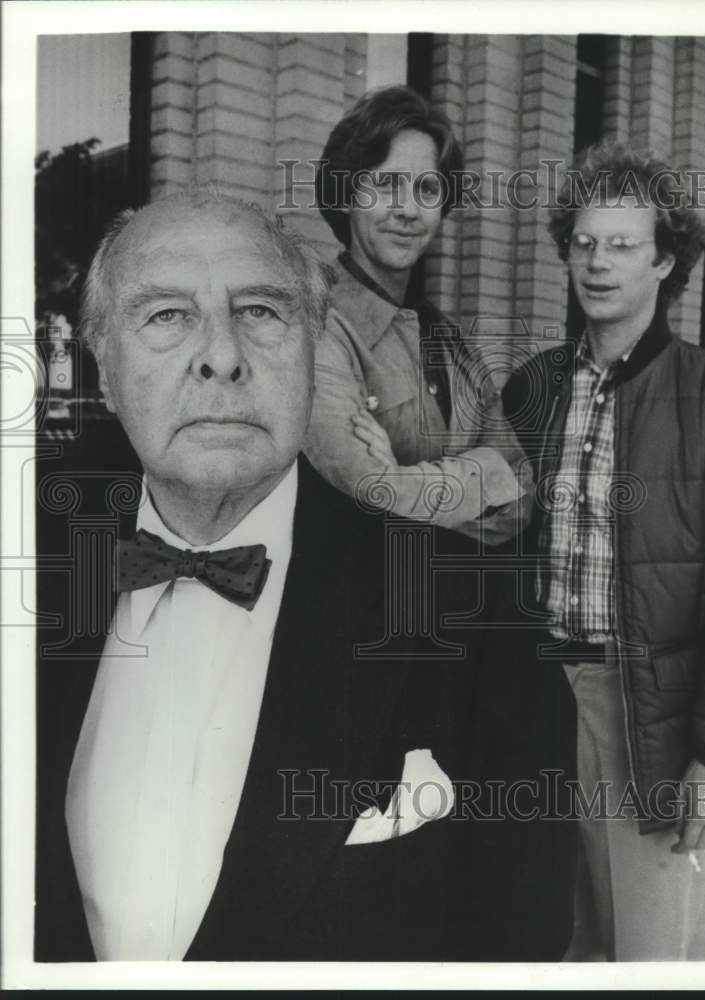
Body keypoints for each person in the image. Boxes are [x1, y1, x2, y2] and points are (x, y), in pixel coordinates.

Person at [35, 189, 576, 963]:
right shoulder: (32, 561)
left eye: (260, 311)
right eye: (165, 315)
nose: (221, 356)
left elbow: (519, 945)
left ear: (313, 353)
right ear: (106, 374)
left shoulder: (481, 620)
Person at [502, 142, 705, 961]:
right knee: (546, 939)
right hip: (536, 701)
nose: (596, 263)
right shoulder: (533, 387)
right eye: (582, 242)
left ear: (664, 260)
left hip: (642, 712)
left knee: (643, 953)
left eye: (620, 245)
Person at [305, 85, 527, 544]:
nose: (407, 210)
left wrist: (406, 481)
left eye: (426, 189)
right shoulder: (315, 326)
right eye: (386, 184)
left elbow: (524, 491)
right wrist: (487, 471)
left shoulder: (452, 342)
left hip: (457, 587)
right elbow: (369, 494)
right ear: (345, 196)